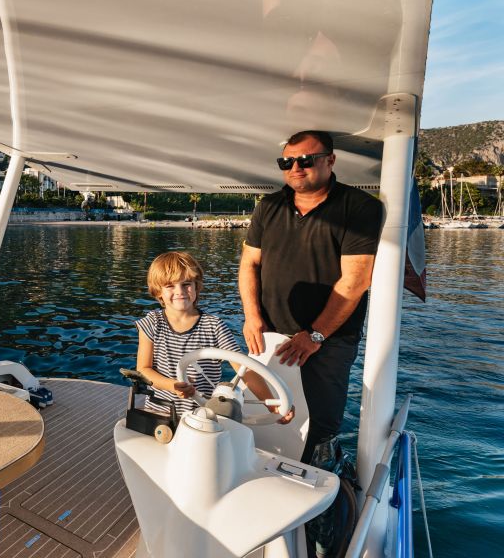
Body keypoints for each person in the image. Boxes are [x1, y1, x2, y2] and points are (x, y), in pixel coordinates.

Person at [238, 130, 384, 463]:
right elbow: (249, 263)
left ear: (330, 160)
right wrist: (251, 316)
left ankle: (320, 500)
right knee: (260, 419)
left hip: (327, 342)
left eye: (305, 160)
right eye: (286, 162)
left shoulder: (359, 208)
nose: (295, 168)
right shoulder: (269, 206)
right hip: (269, 335)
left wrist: (315, 335)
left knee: (318, 428)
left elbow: (356, 281)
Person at [136, 251, 290, 420]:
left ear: (197, 286)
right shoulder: (152, 323)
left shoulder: (214, 326)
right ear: (158, 292)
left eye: (186, 284)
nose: (180, 291)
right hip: (160, 411)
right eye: (170, 286)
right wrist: (173, 385)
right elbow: (144, 369)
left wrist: (273, 405)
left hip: (204, 415)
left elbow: (244, 369)